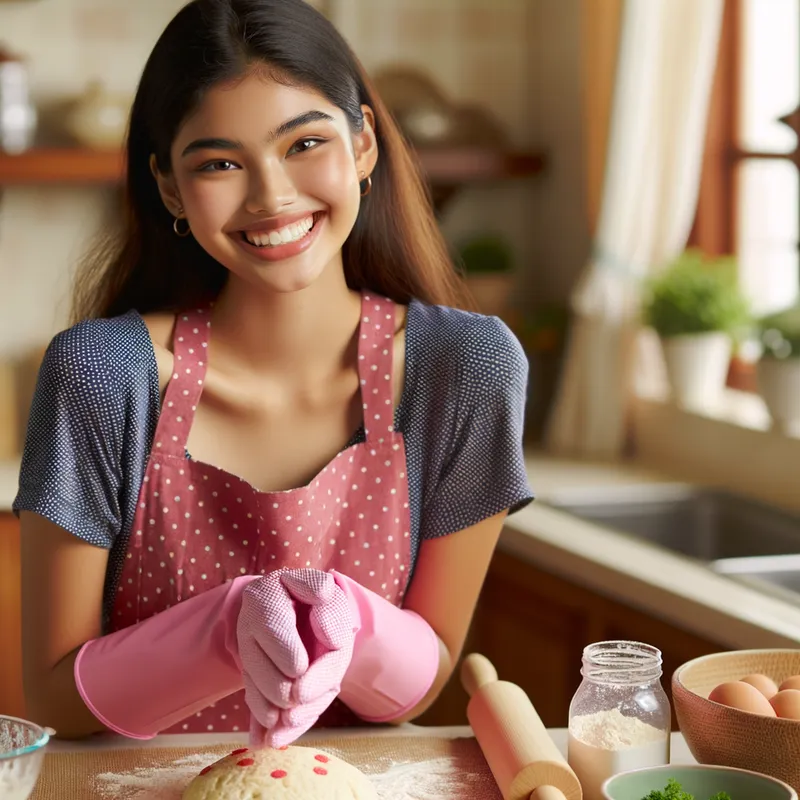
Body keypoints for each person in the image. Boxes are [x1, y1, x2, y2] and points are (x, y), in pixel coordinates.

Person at [15, 0, 533, 748]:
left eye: (305, 143)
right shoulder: (103, 375)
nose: (271, 196)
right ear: (169, 189)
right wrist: (226, 628)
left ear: (363, 143)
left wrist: (347, 622)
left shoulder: (465, 370)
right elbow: (55, 697)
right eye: (219, 163)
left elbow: (421, 682)